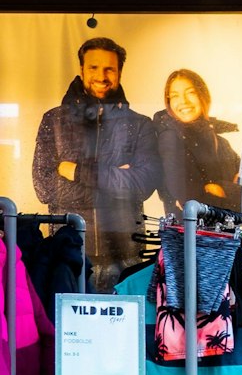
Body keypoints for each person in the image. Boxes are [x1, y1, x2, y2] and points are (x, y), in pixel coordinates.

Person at [31, 36, 159, 284]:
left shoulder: (140, 124)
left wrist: (77, 172)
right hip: (69, 252)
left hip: (127, 255)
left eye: (109, 68)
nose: (102, 75)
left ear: (120, 72)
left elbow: (143, 185)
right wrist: (115, 179)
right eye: (94, 67)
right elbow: (44, 187)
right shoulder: (54, 120)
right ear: (81, 69)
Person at [154, 69, 242, 216]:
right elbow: (193, 203)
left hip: (226, 236)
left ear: (203, 96)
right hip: (189, 237)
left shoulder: (221, 143)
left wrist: (223, 189)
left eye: (191, 93)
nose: (184, 101)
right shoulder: (169, 140)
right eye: (175, 96)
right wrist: (237, 193)